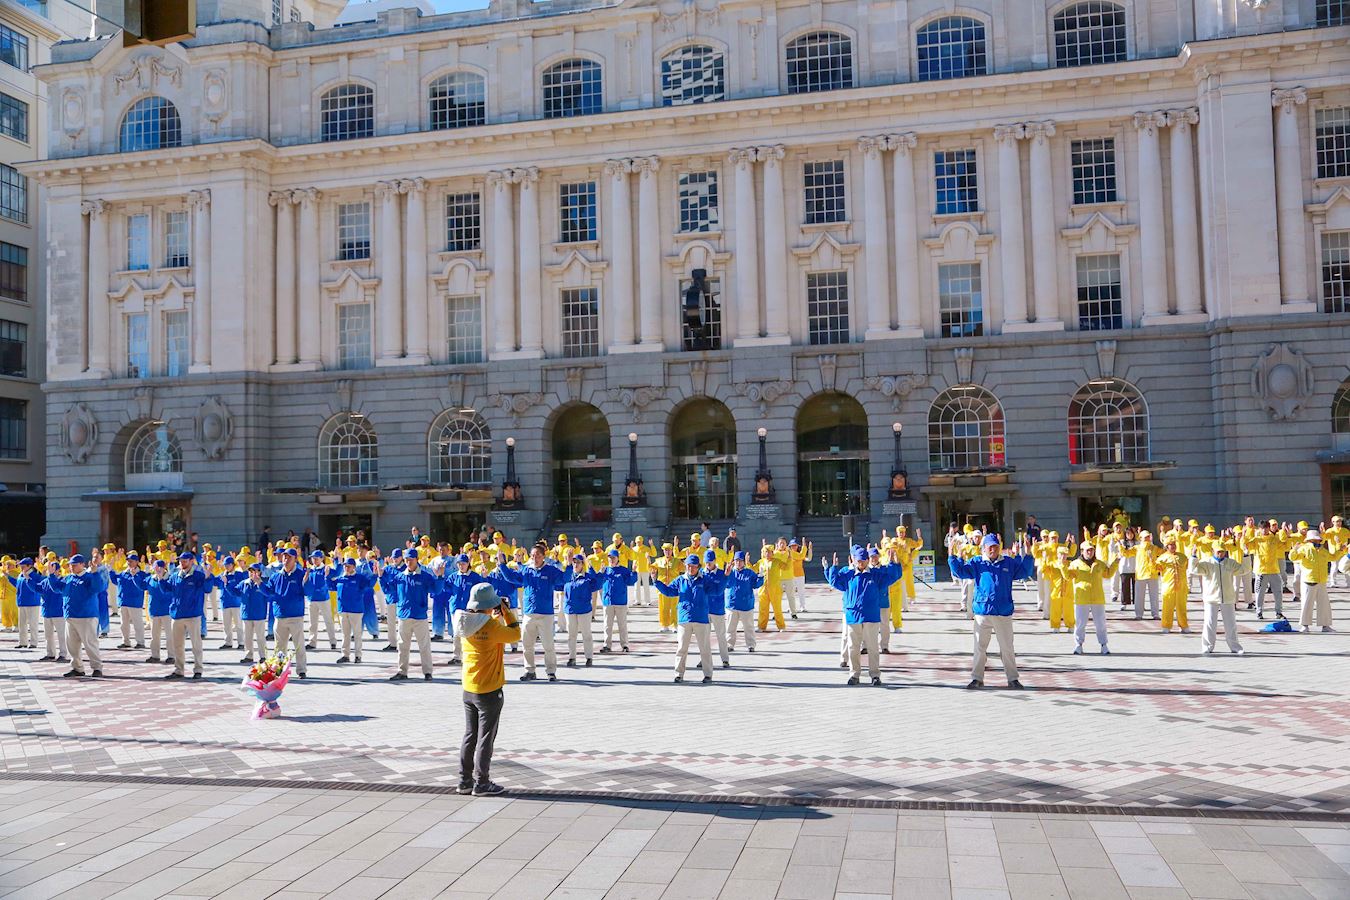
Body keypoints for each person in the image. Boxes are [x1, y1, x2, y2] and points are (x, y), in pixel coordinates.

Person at [456, 582, 520, 797]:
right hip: (489, 689)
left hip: (469, 687)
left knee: (470, 735)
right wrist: (506, 612)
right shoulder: (492, 627)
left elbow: (484, 628)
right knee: (485, 738)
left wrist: (494, 614)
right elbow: (515, 634)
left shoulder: (464, 621)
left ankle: (464, 780)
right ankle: (482, 782)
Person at [949, 535, 1035, 690]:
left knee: (1007, 648)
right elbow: (960, 572)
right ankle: (977, 679)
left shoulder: (1008, 562)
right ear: (984, 548)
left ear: (999, 547)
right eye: (990, 546)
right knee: (979, 648)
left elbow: (1024, 572)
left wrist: (1028, 555)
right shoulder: (977, 562)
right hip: (982, 612)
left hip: (1003, 612)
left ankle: (1013, 679)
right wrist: (953, 556)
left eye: (995, 546)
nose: (993, 549)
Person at [824, 545, 901, 686]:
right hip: (853, 616)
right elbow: (834, 582)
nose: (861, 563)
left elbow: (892, 577)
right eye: (858, 560)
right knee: (853, 647)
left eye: (863, 560)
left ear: (867, 560)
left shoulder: (875, 575)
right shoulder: (848, 575)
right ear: (854, 560)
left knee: (872, 647)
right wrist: (832, 568)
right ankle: (854, 674)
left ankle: (875, 675)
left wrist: (893, 564)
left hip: (871, 616)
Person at [379, 549, 439, 681]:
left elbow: (436, 590)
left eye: (411, 560)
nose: (408, 562)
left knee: (424, 646)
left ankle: (427, 672)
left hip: (420, 617)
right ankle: (402, 672)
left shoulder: (425, 577)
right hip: (404, 616)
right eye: (406, 560)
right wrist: (381, 577)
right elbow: (388, 590)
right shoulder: (400, 577)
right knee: (402, 646)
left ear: (417, 560)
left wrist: (439, 577)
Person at [652, 555, 714, 683]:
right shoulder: (680, 580)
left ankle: (708, 674)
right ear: (685, 566)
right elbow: (669, 591)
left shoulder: (705, 579)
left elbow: (717, 591)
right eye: (688, 566)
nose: (690, 568)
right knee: (681, 648)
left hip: (701, 619)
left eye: (693, 566)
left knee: (705, 649)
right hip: (684, 619)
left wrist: (725, 576)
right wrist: (655, 581)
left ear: (698, 567)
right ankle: (679, 674)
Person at [45, 554, 107, 678]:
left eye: (74, 565)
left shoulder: (89, 577)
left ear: (82, 565)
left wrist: (95, 573)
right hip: (71, 616)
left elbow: (98, 588)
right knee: (72, 645)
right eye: (70, 565)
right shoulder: (68, 578)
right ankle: (77, 668)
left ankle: (97, 668)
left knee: (90, 644)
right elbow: (57, 588)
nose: (72, 567)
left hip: (86, 616)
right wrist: (51, 576)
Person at [516, 543, 567, 682]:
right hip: (529, 613)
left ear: (544, 556)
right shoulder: (526, 570)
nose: (535, 558)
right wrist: (502, 565)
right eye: (533, 555)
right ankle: (529, 671)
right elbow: (512, 578)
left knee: (548, 645)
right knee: (527, 645)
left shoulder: (550, 570)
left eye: (538, 555)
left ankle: (551, 671)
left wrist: (568, 565)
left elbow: (564, 579)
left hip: (546, 614)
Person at [1190, 541, 1248, 654]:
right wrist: (1193, 556)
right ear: (1213, 551)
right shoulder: (1207, 562)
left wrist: (1246, 555)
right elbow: (1194, 570)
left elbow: (1244, 570)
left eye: (1222, 551)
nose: (1220, 554)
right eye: (1218, 552)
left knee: (1230, 624)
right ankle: (1207, 646)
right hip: (1211, 598)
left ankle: (1235, 647)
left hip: (1227, 598)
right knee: (1209, 623)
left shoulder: (1230, 563)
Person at [1065, 541, 1119, 655]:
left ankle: (1104, 645)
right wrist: (1061, 564)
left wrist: (1116, 562)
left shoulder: (1099, 563)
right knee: (1080, 623)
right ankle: (1078, 645)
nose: (1090, 552)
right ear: (1082, 551)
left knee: (1100, 623)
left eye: (1091, 550)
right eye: (1087, 550)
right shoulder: (1075, 564)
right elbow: (1067, 576)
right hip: (1081, 598)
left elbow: (1108, 574)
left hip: (1097, 598)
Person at [268, 548, 309, 678]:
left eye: (289, 557)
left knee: (299, 645)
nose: (286, 559)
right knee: (279, 647)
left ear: (295, 559)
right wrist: (258, 583)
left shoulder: (301, 574)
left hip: (295, 616)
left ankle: (301, 670)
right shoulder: (275, 576)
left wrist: (306, 583)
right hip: (280, 616)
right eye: (284, 556)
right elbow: (269, 592)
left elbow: (308, 592)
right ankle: (279, 669)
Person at [166, 552, 207, 679]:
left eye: (185, 561)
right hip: (177, 614)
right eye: (180, 561)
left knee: (196, 645)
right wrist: (160, 578)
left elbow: (207, 588)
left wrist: (208, 577)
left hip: (193, 615)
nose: (182, 563)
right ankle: (179, 670)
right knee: (177, 645)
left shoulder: (198, 576)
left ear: (191, 561)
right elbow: (166, 589)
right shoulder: (175, 576)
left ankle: (198, 669)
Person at [1289, 529, 1336, 633]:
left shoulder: (1323, 551)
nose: (1317, 541)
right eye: (1315, 540)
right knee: (1307, 604)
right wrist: (1294, 550)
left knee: (1324, 604)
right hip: (1309, 580)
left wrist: (1340, 549)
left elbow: (1333, 557)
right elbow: (1293, 558)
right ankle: (1305, 626)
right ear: (1309, 540)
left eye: (1318, 540)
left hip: (1321, 580)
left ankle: (1325, 626)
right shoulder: (1304, 549)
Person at [330, 555, 375, 663]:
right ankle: (345, 655)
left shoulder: (359, 578)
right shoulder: (341, 578)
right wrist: (327, 576)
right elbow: (331, 586)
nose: (346, 568)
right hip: (343, 610)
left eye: (349, 566)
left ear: (354, 567)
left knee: (357, 634)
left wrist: (375, 575)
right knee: (345, 634)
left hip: (356, 610)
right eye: (345, 566)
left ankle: (358, 655)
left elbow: (370, 584)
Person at [560, 554, 600, 667]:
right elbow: (559, 582)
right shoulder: (568, 576)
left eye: (578, 562)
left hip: (584, 610)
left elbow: (597, 584)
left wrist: (591, 569)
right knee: (571, 635)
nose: (575, 564)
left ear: (583, 564)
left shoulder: (587, 577)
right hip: (570, 610)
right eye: (574, 562)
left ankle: (589, 657)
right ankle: (572, 657)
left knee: (586, 634)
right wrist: (568, 565)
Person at [597, 549, 637, 653]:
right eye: (610, 558)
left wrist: (634, 572)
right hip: (608, 602)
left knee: (622, 625)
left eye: (613, 558)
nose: (611, 560)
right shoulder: (605, 570)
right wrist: (600, 573)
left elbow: (630, 581)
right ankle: (607, 645)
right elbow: (597, 582)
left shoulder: (623, 570)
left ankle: (624, 645)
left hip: (620, 602)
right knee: (607, 625)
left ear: (617, 558)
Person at [109, 552, 149, 650]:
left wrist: (136, 575)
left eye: (131, 561)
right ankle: (125, 641)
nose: (129, 563)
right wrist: (111, 569)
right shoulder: (124, 573)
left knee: (137, 624)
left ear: (136, 562)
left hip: (135, 603)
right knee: (124, 624)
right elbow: (115, 580)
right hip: (123, 602)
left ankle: (140, 642)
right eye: (128, 561)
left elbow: (144, 585)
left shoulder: (141, 574)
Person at [724, 551, 763, 651]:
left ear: (744, 562)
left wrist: (761, 576)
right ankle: (729, 644)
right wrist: (726, 575)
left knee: (749, 627)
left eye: (740, 561)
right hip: (732, 604)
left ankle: (751, 645)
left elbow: (755, 584)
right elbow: (725, 585)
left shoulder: (749, 573)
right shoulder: (730, 572)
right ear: (734, 561)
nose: (738, 563)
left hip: (746, 605)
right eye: (736, 560)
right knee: (730, 627)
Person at [304, 550, 337, 651]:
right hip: (312, 599)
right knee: (312, 622)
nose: (314, 560)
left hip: (323, 599)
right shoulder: (310, 570)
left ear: (321, 558)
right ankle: (312, 642)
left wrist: (336, 560)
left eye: (316, 558)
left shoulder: (325, 569)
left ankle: (333, 641)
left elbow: (337, 573)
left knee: (328, 621)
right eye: (313, 558)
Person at [1155, 538, 1191, 634]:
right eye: (1171, 545)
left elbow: (1187, 567)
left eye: (1174, 544)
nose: (1173, 546)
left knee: (1182, 606)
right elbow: (1156, 569)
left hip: (1181, 586)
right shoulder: (1162, 558)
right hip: (1168, 586)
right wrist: (1151, 560)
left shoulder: (1182, 557)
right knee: (1167, 606)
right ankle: (1166, 625)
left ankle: (1183, 625)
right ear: (1167, 547)